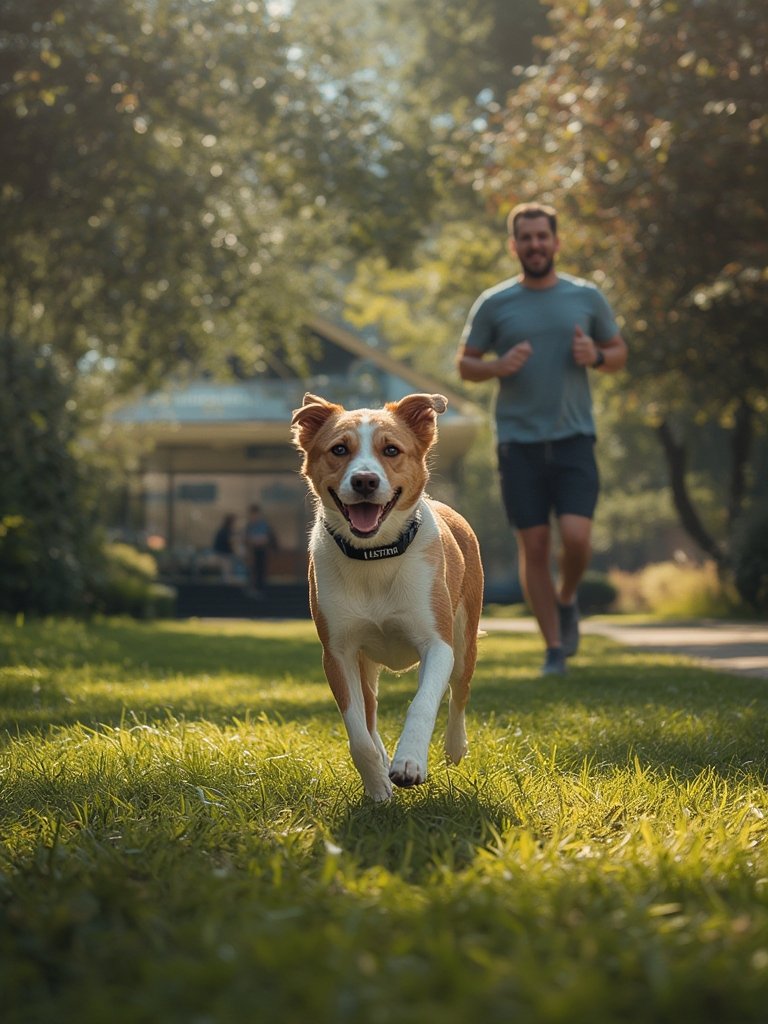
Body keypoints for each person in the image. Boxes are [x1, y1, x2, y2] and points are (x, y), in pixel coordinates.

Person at [457, 202, 628, 676]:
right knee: (533, 546)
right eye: (525, 238)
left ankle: (568, 596)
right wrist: (497, 366)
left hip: (574, 437)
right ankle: (555, 648)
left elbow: (618, 353)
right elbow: (465, 364)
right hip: (518, 443)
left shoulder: (586, 297)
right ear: (514, 246)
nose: (534, 245)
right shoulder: (495, 303)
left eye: (541, 236)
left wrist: (595, 354)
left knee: (576, 538)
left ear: (556, 242)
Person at [243, 503, 276, 597]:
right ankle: (252, 589)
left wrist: (255, 540)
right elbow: (247, 538)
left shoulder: (263, 524)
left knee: (261, 570)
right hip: (251, 551)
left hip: (261, 551)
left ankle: (261, 590)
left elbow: (265, 538)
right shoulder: (249, 525)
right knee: (252, 571)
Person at [212, 513, 238, 581]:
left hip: (222, 554)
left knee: (226, 575)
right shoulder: (226, 531)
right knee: (227, 577)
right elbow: (231, 543)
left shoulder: (223, 530)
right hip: (223, 556)